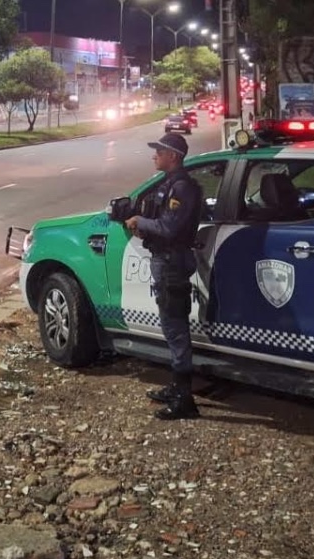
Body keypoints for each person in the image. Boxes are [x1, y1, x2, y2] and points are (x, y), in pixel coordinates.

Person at [124, 133, 203, 420]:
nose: (154, 156)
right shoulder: (170, 184)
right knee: (171, 327)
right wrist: (145, 230)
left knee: (176, 328)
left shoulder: (182, 188)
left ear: (173, 156)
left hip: (172, 263)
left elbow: (169, 228)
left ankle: (184, 400)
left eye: (159, 151)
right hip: (166, 259)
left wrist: (140, 221)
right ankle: (176, 387)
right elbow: (163, 226)